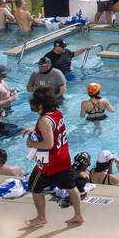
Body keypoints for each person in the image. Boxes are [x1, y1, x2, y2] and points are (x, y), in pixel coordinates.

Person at [24, 86, 84, 227]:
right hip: (63, 158)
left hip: (49, 163)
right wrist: (34, 129)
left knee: (34, 187)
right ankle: (78, 215)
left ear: (40, 104)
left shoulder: (44, 120)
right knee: (71, 187)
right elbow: (53, 129)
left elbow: (48, 144)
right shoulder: (57, 113)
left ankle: (41, 217)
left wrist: (30, 142)